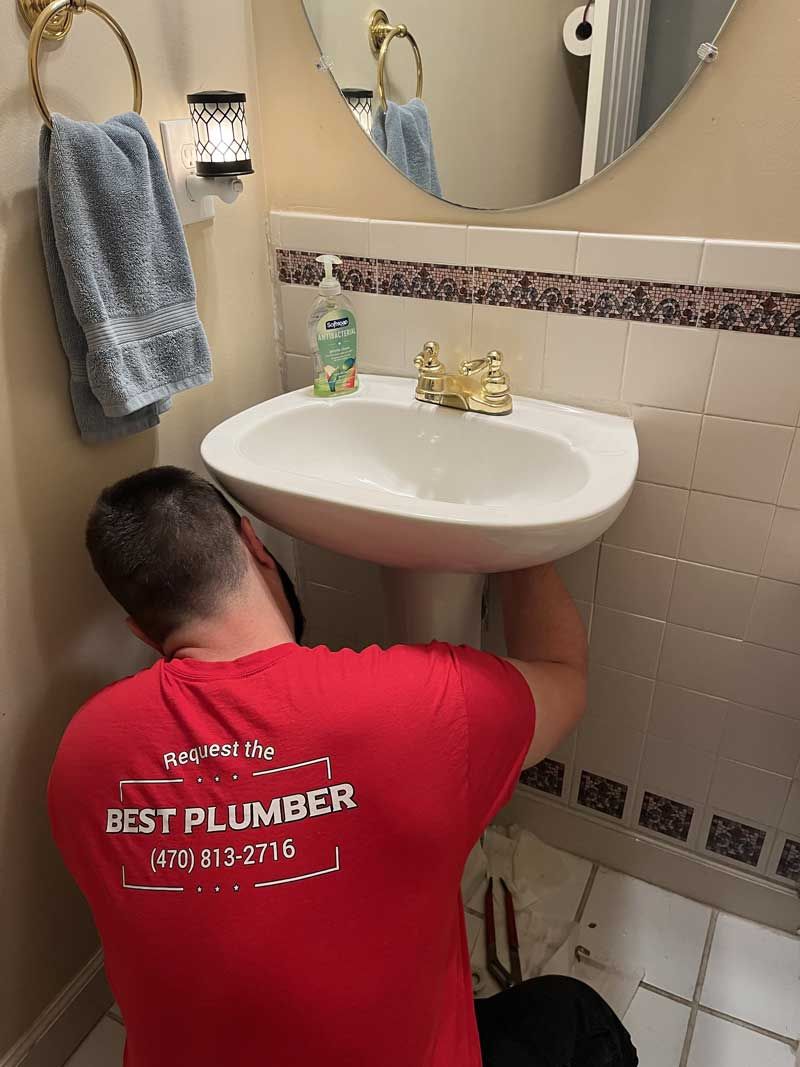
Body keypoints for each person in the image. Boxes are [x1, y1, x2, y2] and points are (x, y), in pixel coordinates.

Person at [48, 465, 637, 1067]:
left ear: (141, 632)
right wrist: (521, 539)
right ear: (256, 545)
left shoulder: (82, 756)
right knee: (576, 1015)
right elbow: (565, 677)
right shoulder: (425, 708)